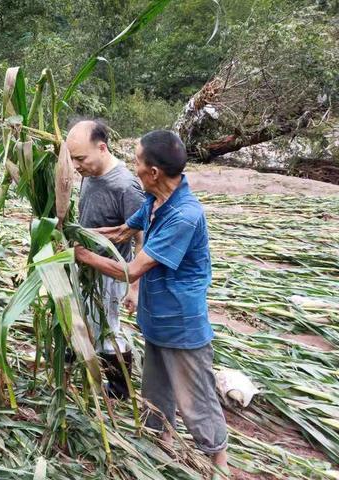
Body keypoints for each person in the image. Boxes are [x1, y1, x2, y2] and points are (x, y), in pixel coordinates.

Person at [74, 130, 229, 477]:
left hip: (181, 323)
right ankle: (160, 450)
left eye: (137, 162)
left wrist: (82, 255)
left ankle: (218, 464)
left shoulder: (184, 215)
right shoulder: (154, 202)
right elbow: (120, 233)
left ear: (154, 172)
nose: (133, 168)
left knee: (195, 401)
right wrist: (75, 232)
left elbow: (130, 270)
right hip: (156, 319)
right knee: (155, 394)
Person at [66, 119, 144, 399]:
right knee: (86, 318)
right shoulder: (90, 174)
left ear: (102, 148)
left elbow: (140, 234)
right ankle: (78, 361)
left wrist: (134, 287)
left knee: (108, 328)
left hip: (110, 272)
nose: (76, 165)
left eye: (80, 158)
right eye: (72, 158)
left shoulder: (125, 185)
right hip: (86, 265)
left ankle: (120, 389)